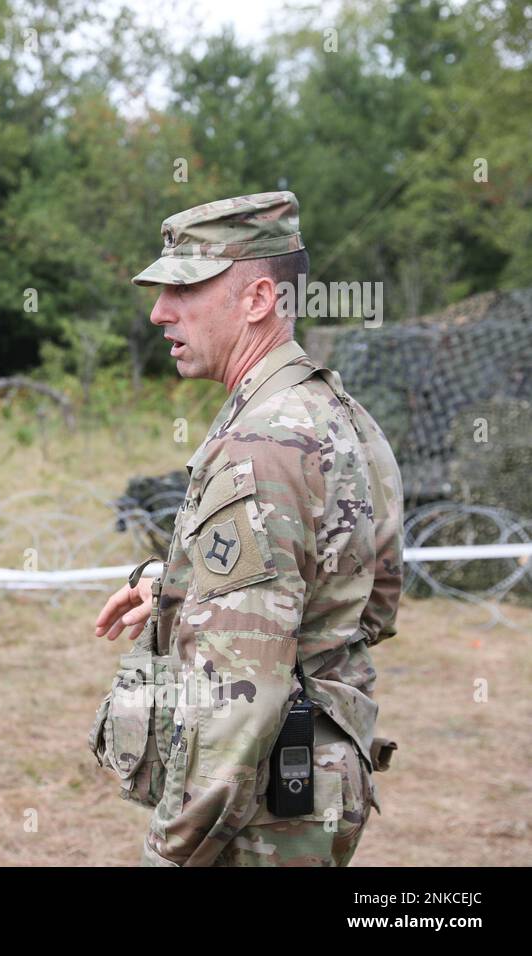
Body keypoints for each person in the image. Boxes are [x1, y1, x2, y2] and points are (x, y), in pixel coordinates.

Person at [92, 192, 404, 866]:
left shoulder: (260, 443)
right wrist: (177, 590)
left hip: (258, 813)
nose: (158, 312)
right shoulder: (334, 411)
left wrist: (170, 850)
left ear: (258, 298)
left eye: (183, 288)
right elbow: (366, 601)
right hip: (314, 786)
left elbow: (240, 698)